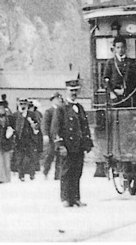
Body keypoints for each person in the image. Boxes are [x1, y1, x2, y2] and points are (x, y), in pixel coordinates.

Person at [51, 79, 93, 207]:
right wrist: (60, 145)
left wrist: (87, 143)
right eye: (71, 90)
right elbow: (55, 128)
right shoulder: (61, 109)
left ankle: (76, 198)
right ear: (66, 91)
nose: (74, 93)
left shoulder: (80, 108)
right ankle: (65, 198)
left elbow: (84, 126)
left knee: (77, 172)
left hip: (79, 146)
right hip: (67, 147)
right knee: (66, 172)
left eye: (75, 90)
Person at [104, 36, 136, 107]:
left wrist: (126, 91)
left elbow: (135, 80)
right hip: (114, 96)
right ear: (114, 49)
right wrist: (111, 92)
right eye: (118, 47)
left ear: (125, 48)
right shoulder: (110, 62)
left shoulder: (131, 62)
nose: (120, 50)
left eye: (122, 47)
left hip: (128, 96)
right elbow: (105, 79)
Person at [13, 99, 42, 181]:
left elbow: (37, 126)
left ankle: (31, 174)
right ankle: (21, 175)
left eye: (24, 104)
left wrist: (33, 124)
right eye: (21, 104)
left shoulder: (32, 114)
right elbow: (12, 126)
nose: (23, 106)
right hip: (19, 140)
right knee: (20, 157)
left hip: (30, 139)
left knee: (31, 156)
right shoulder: (15, 115)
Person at [42, 92, 63, 180]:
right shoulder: (49, 111)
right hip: (51, 138)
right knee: (49, 156)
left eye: (59, 99)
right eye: (57, 99)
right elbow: (45, 124)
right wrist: (45, 135)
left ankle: (58, 175)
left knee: (60, 156)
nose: (59, 100)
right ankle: (46, 172)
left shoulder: (62, 110)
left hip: (60, 137)